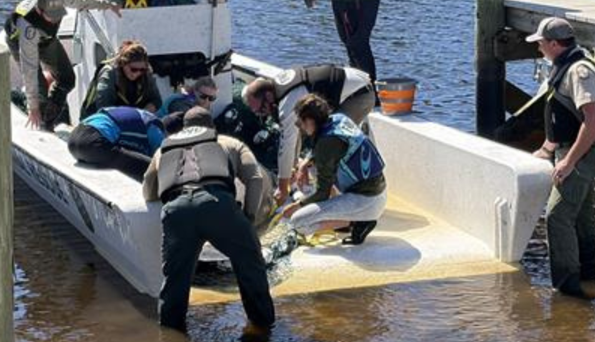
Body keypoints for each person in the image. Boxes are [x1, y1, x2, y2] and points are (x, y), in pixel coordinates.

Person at [142, 107, 275, 333]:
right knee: (250, 263)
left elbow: (148, 189)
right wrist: (248, 219)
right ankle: (263, 326)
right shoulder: (229, 142)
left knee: (175, 280)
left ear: (184, 128)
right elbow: (254, 178)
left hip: (177, 211)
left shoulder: (163, 149)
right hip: (218, 205)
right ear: (212, 127)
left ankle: (169, 334)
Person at [527, 17, 595, 298]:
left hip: (583, 153)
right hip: (574, 150)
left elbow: (593, 120)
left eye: (540, 43)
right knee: (583, 215)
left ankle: (567, 288)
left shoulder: (579, 72)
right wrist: (548, 149)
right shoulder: (563, 68)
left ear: (553, 44)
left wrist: (569, 161)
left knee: (558, 216)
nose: (538, 48)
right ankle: (591, 274)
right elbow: (561, 117)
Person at [242, 64, 375, 203]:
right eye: (257, 112)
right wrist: (293, 169)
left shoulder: (288, 104)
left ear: (269, 96)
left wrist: (282, 187)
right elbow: (295, 134)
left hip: (359, 95)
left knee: (330, 144)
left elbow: (287, 145)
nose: (262, 114)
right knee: (313, 141)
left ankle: (338, 201)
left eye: (261, 109)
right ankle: (322, 190)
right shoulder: (278, 89)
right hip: (351, 84)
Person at [6, 0, 119, 130]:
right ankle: (39, 120)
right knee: (39, 94)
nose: (54, 21)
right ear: (40, 11)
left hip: (47, 39)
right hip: (21, 43)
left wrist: (107, 5)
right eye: (50, 17)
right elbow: (30, 70)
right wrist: (33, 106)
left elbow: (82, 1)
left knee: (68, 79)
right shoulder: (28, 27)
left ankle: (48, 117)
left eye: (58, 15)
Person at [281, 94, 387, 245]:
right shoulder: (338, 118)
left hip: (367, 200)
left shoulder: (326, 142)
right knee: (314, 167)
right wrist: (305, 162)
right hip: (377, 191)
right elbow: (330, 150)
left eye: (301, 120)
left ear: (310, 120)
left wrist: (296, 206)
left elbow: (322, 193)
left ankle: (356, 222)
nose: (300, 125)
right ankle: (350, 216)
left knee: (298, 222)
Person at [68, 106, 166, 180]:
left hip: (73, 140)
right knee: (155, 169)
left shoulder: (137, 115)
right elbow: (161, 157)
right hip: (94, 142)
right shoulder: (154, 126)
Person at [81, 40, 163, 118]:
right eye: (133, 69)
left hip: (133, 118)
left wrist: (144, 114)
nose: (137, 73)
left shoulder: (146, 73)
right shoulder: (110, 73)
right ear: (123, 64)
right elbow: (104, 106)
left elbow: (156, 100)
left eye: (142, 70)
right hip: (99, 119)